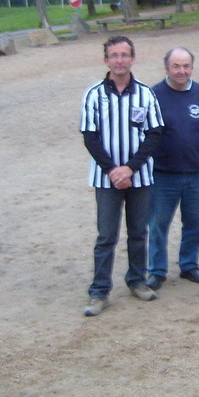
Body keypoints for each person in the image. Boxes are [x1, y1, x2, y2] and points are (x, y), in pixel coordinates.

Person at [79, 35, 164, 316]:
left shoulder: (145, 94)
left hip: (139, 178)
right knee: (106, 235)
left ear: (132, 58)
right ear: (106, 60)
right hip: (106, 179)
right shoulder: (94, 95)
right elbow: (90, 137)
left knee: (138, 232)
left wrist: (130, 168)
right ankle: (99, 290)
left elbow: (154, 135)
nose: (119, 60)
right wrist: (113, 171)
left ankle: (137, 281)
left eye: (124, 55)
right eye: (114, 55)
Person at [146, 47, 199, 291]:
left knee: (195, 222)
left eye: (186, 66)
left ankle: (189, 264)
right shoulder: (153, 95)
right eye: (176, 66)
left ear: (192, 67)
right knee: (158, 224)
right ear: (167, 68)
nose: (181, 71)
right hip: (163, 174)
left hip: (197, 172)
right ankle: (156, 270)